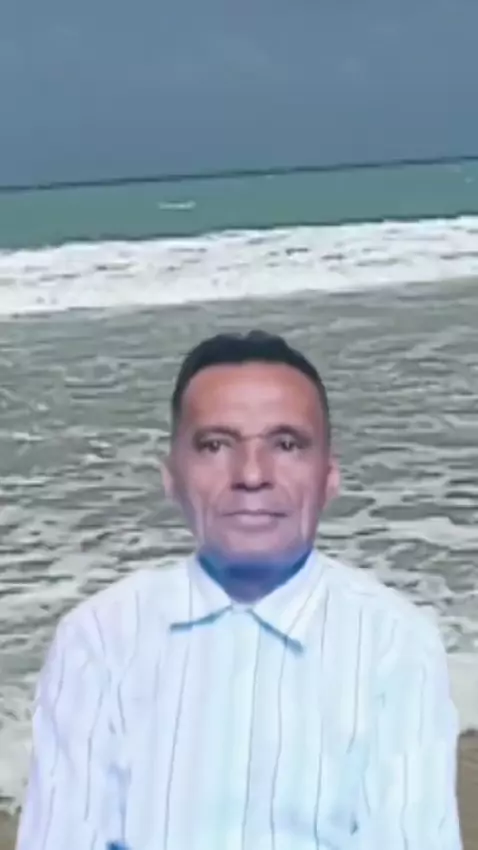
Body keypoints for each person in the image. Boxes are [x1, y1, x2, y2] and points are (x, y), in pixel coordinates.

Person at [16, 330, 462, 850]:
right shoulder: (98, 638)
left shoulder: (394, 642)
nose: (251, 474)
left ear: (329, 477)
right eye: (215, 445)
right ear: (172, 477)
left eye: (286, 444)